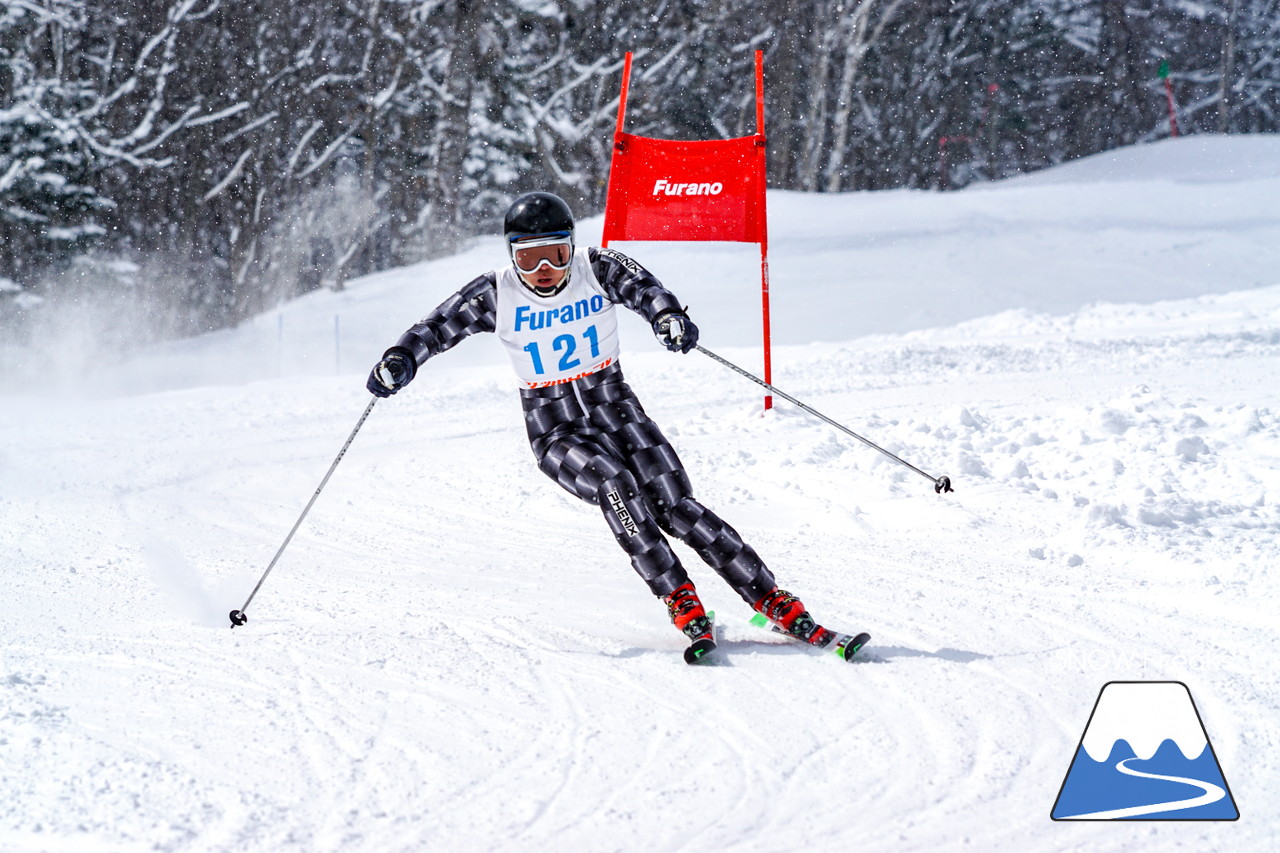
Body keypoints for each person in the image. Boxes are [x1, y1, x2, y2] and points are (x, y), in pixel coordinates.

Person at [367, 191, 855, 662]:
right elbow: (435, 327)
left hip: (617, 410)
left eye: (556, 256)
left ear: (572, 247)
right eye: (530, 259)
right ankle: (679, 599)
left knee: (679, 509)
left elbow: (645, 289)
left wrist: (668, 317)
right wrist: (401, 360)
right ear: (511, 257)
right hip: (554, 430)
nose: (544, 272)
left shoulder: (596, 268)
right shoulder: (495, 292)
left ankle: (772, 600)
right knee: (616, 486)